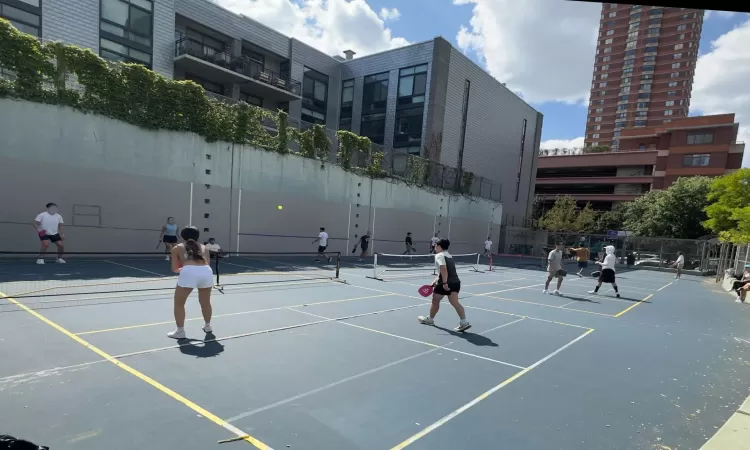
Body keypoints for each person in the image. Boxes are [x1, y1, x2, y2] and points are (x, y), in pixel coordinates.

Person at [167, 226, 214, 339]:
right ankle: (208, 326)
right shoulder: (204, 247)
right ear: (197, 236)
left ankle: (180, 331)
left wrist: (185, 270)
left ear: (182, 236)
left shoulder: (177, 248)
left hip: (189, 272)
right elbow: (207, 263)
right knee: (205, 302)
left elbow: (174, 269)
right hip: (206, 272)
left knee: (179, 303)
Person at [418, 238, 471, 332]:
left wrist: (445, 283)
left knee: (435, 301)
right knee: (455, 303)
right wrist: (435, 280)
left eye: (435, 245)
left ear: (439, 246)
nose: (434, 246)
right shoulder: (449, 256)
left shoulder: (439, 255)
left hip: (444, 284)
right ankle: (464, 322)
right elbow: (448, 271)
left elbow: (443, 269)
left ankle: (430, 319)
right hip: (455, 283)